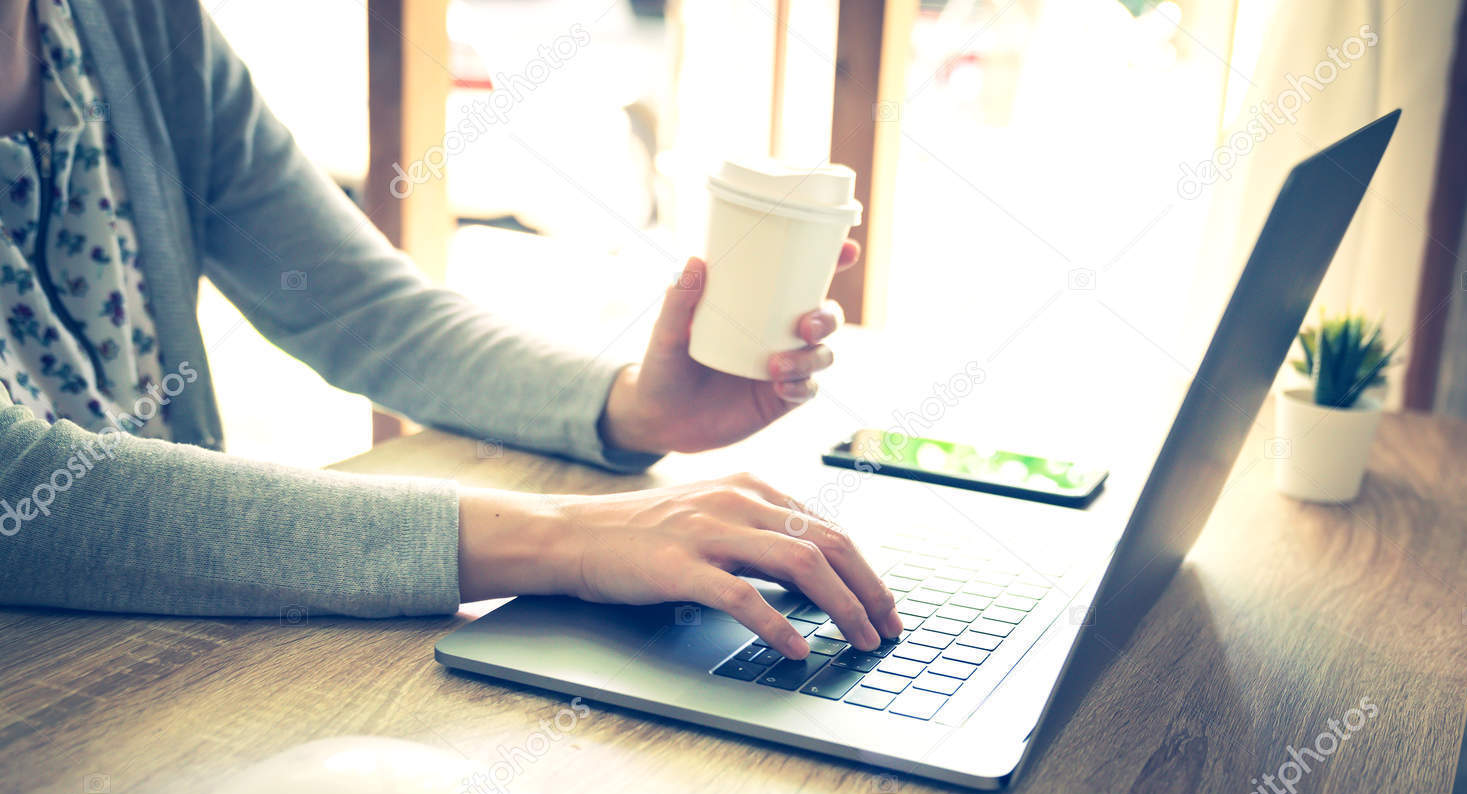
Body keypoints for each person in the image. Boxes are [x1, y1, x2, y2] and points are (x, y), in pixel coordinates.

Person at [0, 0, 901, 661]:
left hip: (181, 652)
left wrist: (627, 408)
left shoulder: (133, 23)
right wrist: (573, 540)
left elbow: (361, 306)